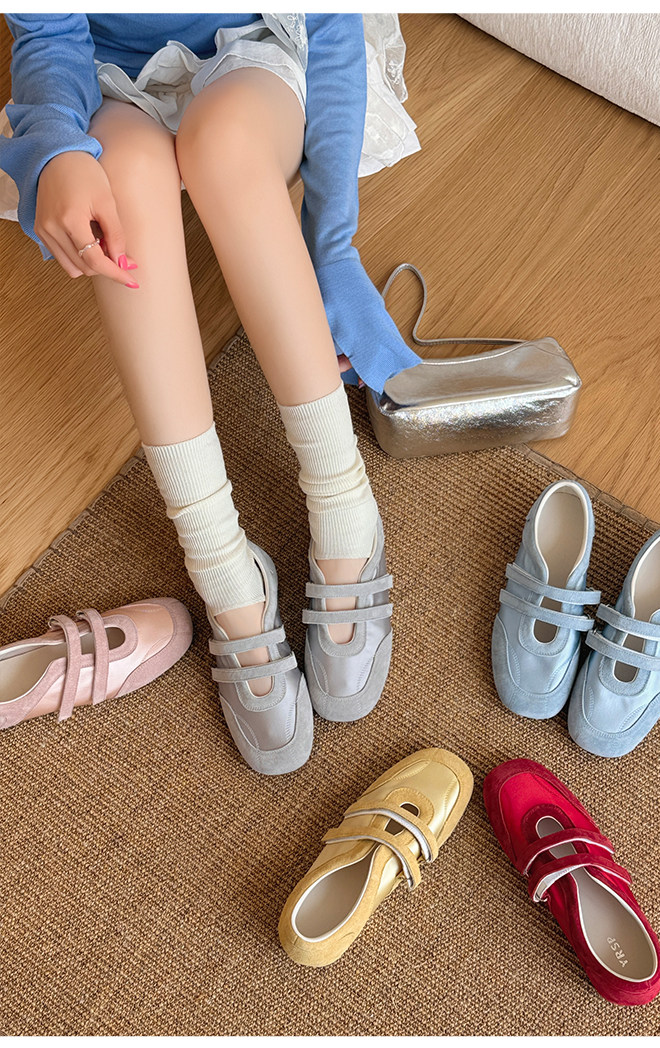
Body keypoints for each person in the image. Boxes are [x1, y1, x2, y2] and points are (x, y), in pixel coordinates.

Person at [0, 13, 422, 774]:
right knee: (125, 179)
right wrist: (56, 146)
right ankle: (221, 564)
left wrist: (331, 248)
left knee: (224, 144)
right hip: (110, 80)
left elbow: (330, 25)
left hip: (255, 56)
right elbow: (50, 36)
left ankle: (344, 502)